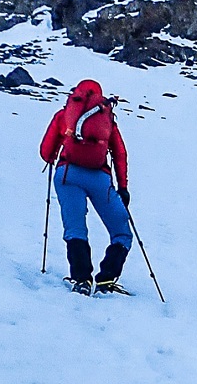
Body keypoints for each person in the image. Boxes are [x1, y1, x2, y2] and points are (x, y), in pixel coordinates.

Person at [39, 80, 131, 292]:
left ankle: (81, 279)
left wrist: (58, 155)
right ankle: (107, 278)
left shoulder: (64, 115)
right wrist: (123, 187)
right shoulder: (106, 118)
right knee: (122, 233)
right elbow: (120, 154)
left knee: (75, 229)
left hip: (68, 174)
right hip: (99, 179)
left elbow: (46, 152)